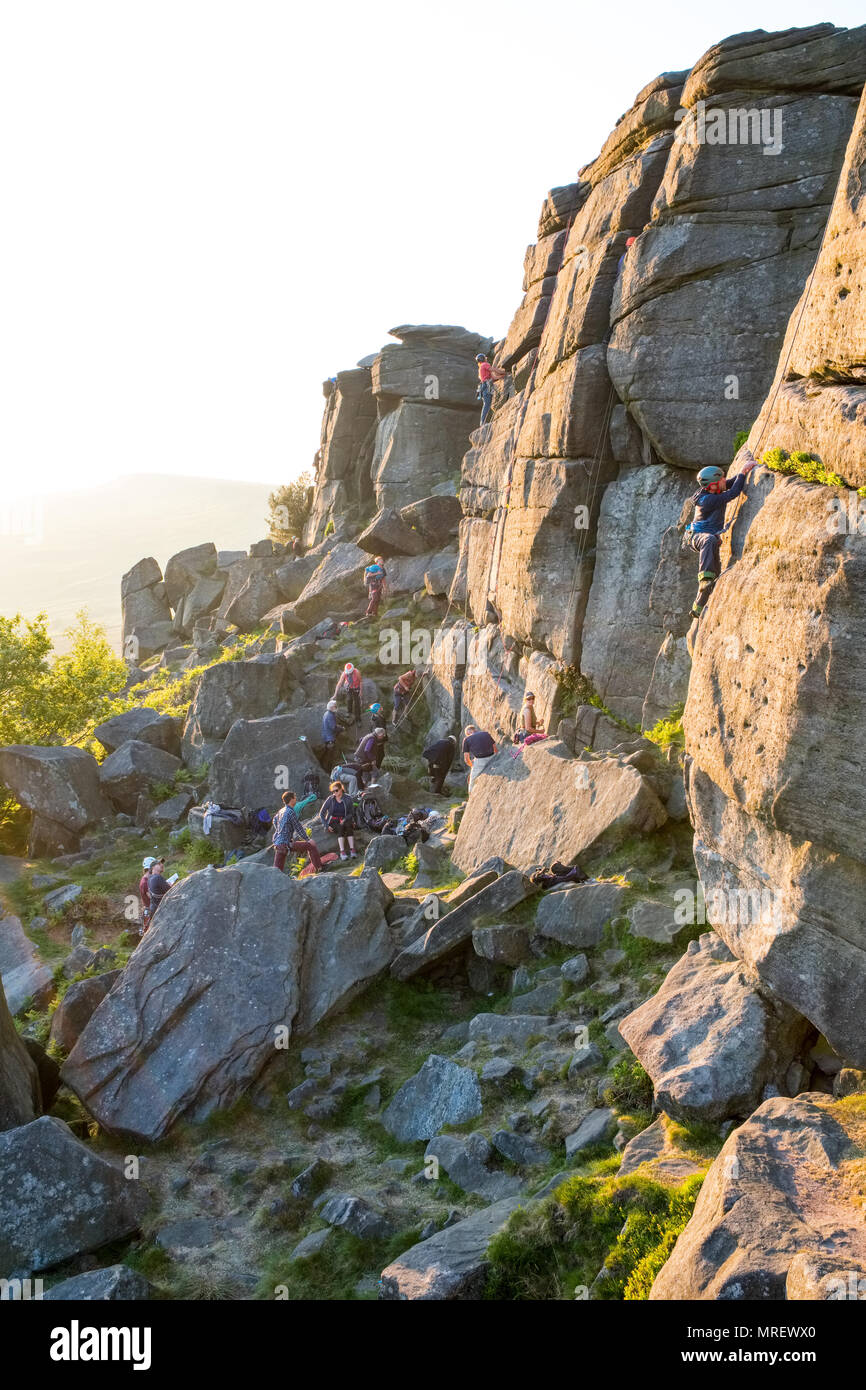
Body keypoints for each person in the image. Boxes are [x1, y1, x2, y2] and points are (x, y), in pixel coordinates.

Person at [686, 447, 759, 619]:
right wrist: (743, 471)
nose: (724, 480)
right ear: (712, 485)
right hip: (697, 537)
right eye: (721, 479)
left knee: (714, 576)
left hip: (706, 537)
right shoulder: (708, 499)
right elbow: (734, 492)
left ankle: (697, 608)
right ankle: (704, 578)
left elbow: (731, 483)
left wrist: (744, 473)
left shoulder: (712, 490)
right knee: (709, 541)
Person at [272, 790, 323, 874]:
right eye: (295, 798)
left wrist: (279, 830)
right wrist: (308, 839)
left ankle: (319, 867)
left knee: (277, 871)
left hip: (279, 843)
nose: (296, 799)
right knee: (311, 846)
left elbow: (274, 820)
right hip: (285, 845)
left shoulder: (281, 811)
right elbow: (298, 827)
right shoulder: (290, 812)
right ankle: (319, 868)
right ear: (291, 799)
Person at [320, 780, 357, 860]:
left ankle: (352, 849)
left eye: (336, 790)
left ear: (341, 789)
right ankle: (342, 852)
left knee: (348, 825)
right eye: (333, 791)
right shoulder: (330, 799)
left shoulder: (348, 798)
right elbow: (322, 813)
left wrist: (345, 819)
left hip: (345, 819)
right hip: (333, 821)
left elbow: (351, 813)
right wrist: (326, 825)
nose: (334, 793)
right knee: (341, 827)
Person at [462, 724, 498, 791]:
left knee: (472, 780)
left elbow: (466, 759)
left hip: (480, 761)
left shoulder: (466, 739)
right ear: (475, 730)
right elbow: (495, 748)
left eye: (467, 734)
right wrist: (496, 757)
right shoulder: (486, 733)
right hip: (492, 757)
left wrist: (472, 765)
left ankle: (470, 798)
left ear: (469, 732)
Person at [476, 353, 508, 426]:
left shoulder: (481, 367)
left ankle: (483, 422)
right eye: (485, 357)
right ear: (483, 359)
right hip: (486, 386)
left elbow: (493, 378)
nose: (486, 358)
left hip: (485, 386)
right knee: (487, 404)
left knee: (487, 403)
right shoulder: (484, 364)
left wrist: (502, 376)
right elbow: (494, 370)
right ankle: (483, 422)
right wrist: (504, 372)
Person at [146, 857, 173, 921]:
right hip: (161, 910)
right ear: (153, 868)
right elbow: (171, 891)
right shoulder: (157, 877)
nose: (161, 865)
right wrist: (170, 885)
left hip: (154, 909)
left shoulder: (150, 878)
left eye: (161, 863)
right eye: (159, 864)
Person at [321, 698, 344, 774]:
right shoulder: (330, 715)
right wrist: (341, 728)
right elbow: (333, 727)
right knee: (329, 755)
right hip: (330, 738)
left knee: (327, 753)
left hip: (325, 736)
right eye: (335, 706)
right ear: (331, 707)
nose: (336, 707)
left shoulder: (326, 713)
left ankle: (325, 768)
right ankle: (327, 771)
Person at [139, 855, 156, 933]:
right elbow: (153, 897)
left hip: (150, 910)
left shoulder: (148, 879)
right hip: (150, 912)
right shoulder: (145, 882)